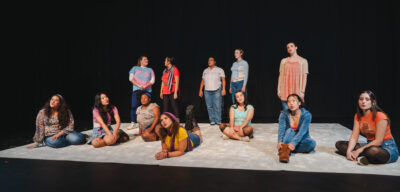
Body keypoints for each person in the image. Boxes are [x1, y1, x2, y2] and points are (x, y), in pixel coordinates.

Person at [335, 90, 399, 165]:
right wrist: (348, 152)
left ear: (373, 102)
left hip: (386, 148)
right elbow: (354, 137)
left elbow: (378, 141)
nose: (363, 101)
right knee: (339, 144)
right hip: (369, 145)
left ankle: (362, 155)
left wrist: (359, 150)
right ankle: (364, 157)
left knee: (373, 151)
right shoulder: (358, 116)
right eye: (361, 99)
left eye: (367, 99)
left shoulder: (380, 116)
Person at [277, 94, 316, 163]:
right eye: (288, 102)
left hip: (301, 138)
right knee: (290, 130)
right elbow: (281, 129)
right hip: (288, 136)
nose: (291, 103)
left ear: (299, 103)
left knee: (312, 144)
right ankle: (285, 152)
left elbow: (302, 132)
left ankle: (285, 149)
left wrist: (293, 143)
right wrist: (280, 141)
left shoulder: (306, 115)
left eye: (293, 101)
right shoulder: (283, 114)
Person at [277, 42, 309, 111]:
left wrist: (302, 91)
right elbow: (281, 76)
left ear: (296, 47)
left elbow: (304, 77)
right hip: (285, 90)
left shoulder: (303, 61)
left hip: (297, 90)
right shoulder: (283, 61)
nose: (289, 48)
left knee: (297, 114)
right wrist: (279, 89)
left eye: (291, 46)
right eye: (288, 47)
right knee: (287, 114)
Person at [128, 56, 156, 129]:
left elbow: (152, 80)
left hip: (147, 90)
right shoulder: (134, 68)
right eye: (144, 59)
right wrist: (139, 85)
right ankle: (133, 122)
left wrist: (146, 85)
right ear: (140, 61)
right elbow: (131, 78)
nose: (147, 60)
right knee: (134, 106)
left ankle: (147, 122)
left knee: (146, 106)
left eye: (147, 59)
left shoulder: (150, 69)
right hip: (137, 89)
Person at [199, 57, 226, 125]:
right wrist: (200, 90)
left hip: (217, 90)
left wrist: (223, 89)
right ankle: (212, 120)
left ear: (214, 62)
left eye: (211, 60)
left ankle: (218, 121)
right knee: (209, 106)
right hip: (207, 90)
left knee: (217, 106)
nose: (209, 61)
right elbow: (202, 81)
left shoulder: (219, 70)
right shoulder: (205, 71)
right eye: (208, 60)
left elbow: (223, 80)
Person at [160, 56, 180, 121]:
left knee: (174, 106)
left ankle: (177, 120)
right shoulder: (165, 71)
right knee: (165, 107)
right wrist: (161, 91)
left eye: (165, 61)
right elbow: (163, 82)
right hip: (165, 90)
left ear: (168, 62)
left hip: (172, 89)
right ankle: (164, 120)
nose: (164, 62)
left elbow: (177, 81)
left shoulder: (175, 69)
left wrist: (175, 92)